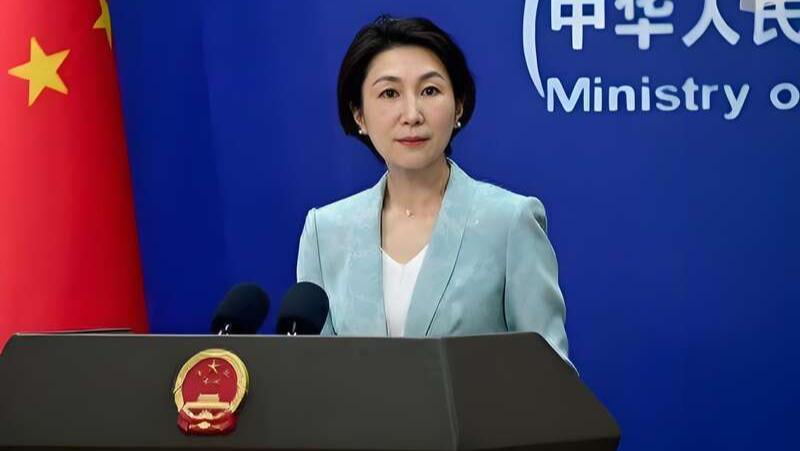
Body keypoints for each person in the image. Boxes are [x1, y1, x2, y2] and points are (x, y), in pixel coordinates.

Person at [296, 15, 572, 367]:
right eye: (389, 93)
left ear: (459, 105)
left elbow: (550, 376)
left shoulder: (508, 222)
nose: (412, 114)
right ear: (359, 115)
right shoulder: (325, 233)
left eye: (430, 91)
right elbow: (313, 375)